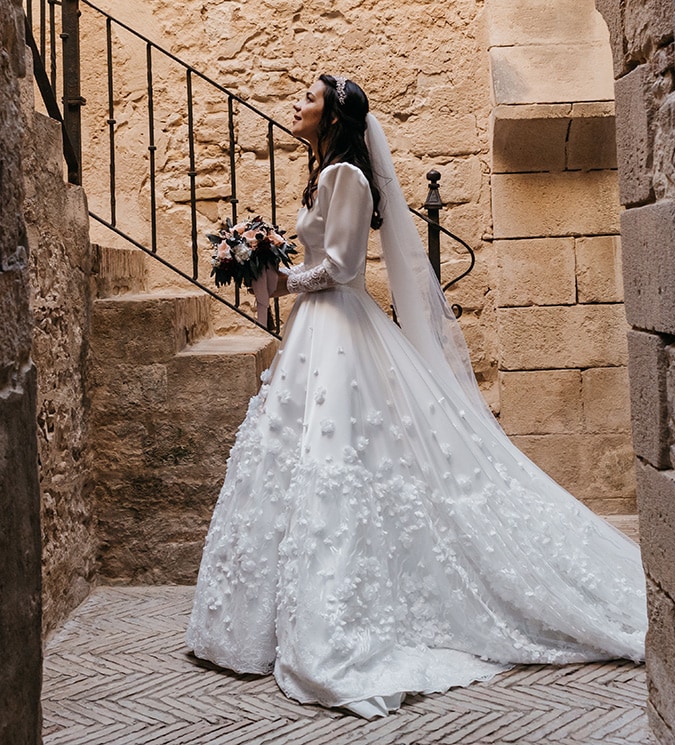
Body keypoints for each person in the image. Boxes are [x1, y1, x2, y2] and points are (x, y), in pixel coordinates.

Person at [186, 75, 647, 719]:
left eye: (308, 98)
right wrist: (270, 263)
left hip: (338, 327)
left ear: (334, 114)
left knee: (339, 460)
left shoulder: (345, 175)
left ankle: (340, 618)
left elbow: (343, 269)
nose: (296, 105)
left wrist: (278, 276)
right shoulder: (327, 173)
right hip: (319, 333)